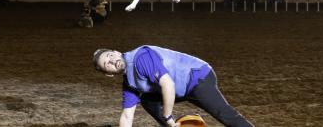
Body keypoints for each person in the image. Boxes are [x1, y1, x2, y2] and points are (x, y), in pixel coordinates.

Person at [93, 46, 254, 127]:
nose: (112, 61)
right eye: (107, 64)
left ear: (116, 52)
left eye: (109, 56)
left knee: (222, 113)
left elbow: (168, 84)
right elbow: (127, 116)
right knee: (147, 100)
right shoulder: (129, 82)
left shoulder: (140, 58)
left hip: (198, 77)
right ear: (109, 74)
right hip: (178, 87)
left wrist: (168, 117)